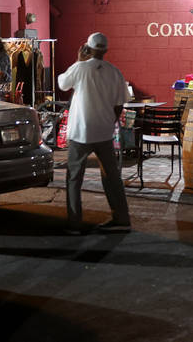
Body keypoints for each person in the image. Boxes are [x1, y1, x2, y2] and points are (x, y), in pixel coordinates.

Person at [57, 32, 131, 235]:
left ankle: (75, 224)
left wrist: (77, 61)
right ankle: (121, 219)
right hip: (104, 132)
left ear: (87, 48)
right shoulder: (115, 72)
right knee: (111, 177)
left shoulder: (79, 68)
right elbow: (120, 104)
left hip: (81, 132)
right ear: (106, 50)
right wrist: (109, 123)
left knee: (74, 178)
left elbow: (62, 83)